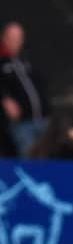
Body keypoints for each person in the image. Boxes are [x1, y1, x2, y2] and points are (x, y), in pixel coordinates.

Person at [0, 22, 50, 157]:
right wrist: (5, 99)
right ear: (4, 38)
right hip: (22, 124)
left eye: (18, 38)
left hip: (42, 120)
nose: (15, 42)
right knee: (28, 158)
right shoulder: (3, 63)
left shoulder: (26, 61)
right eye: (11, 38)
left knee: (46, 161)